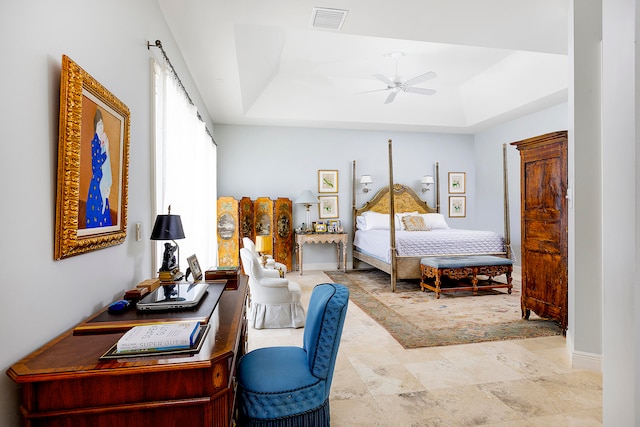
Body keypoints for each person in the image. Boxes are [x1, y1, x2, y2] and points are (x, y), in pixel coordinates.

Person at [86, 109, 113, 228]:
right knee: (97, 210)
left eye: (102, 124)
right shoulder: (94, 143)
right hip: (97, 182)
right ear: (95, 125)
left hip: (102, 182)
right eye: (99, 124)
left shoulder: (102, 141)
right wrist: (106, 151)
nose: (101, 127)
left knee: (104, 210)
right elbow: (96, 165)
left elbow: (106, 166)